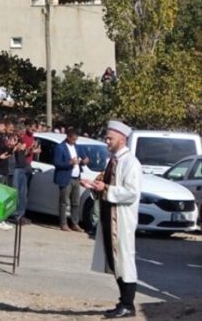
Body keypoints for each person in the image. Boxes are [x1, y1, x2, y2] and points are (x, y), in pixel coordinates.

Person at [83, 121, 142, 319]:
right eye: (107, 138)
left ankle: (128, 304)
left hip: (122, 219)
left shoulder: (130, 163)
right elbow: (107, 185)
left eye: (110, 138)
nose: (107, 141)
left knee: (124, 259)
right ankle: (123, 301)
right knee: (114, 259)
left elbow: (131, 193)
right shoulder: (113, 161)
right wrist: (95, 185)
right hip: (109, 216)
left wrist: (106, 189)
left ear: (122, 139)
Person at [54, 128, 87, 232]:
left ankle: (75, 223)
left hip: (76, 178)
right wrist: (70, 163)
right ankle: (63, 223)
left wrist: (85, 160)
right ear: (68, 137)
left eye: (76, 139)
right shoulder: (60, 147)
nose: (74, 141)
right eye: (73, 139)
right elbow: (57, 163)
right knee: (64, 202)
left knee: (75, 202)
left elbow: (83, 157)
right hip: (66, 177)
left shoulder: (77, 147)